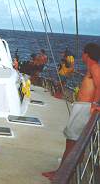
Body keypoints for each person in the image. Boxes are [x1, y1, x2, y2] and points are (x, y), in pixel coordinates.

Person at [42, 43, 100, 181]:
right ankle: (70, 170)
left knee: (71, 143)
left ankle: (60, 173)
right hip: (82, 107)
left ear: (87, 54)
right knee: (74, 142)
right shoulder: (92, 68)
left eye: (83, 53)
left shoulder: (94, 67)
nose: (82, 55)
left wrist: (95, 104)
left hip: (84, 108)